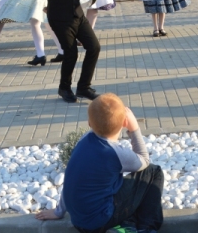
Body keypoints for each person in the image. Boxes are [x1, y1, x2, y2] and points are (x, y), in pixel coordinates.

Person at [35, 93, 164, 233]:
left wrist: (59, 212)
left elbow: (72, 179)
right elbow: (144, 160)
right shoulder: (116, 153)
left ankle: (127, 224)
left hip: (79, 222)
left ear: (89, 123)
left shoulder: (83, 141)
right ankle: (147, 228)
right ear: (123, 123)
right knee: (153, 172)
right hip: (101, 221)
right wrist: (134, 129)